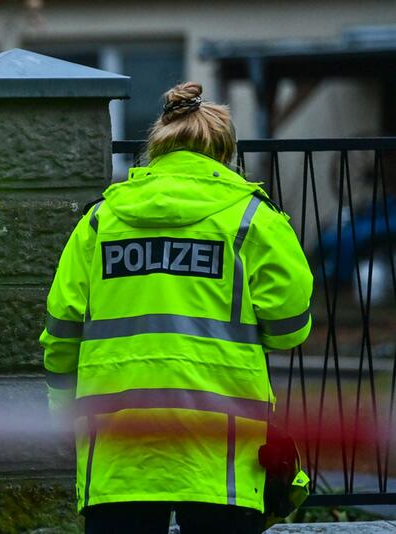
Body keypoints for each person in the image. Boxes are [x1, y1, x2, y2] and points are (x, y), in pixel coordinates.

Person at [39, 82, 312, 534]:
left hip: (117, 444)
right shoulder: (251, 219)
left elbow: (62, 333)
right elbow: (288, 328)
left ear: (156, 148)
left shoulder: (99, 221)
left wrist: (62, 414)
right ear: (225, 152)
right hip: (220, 448)